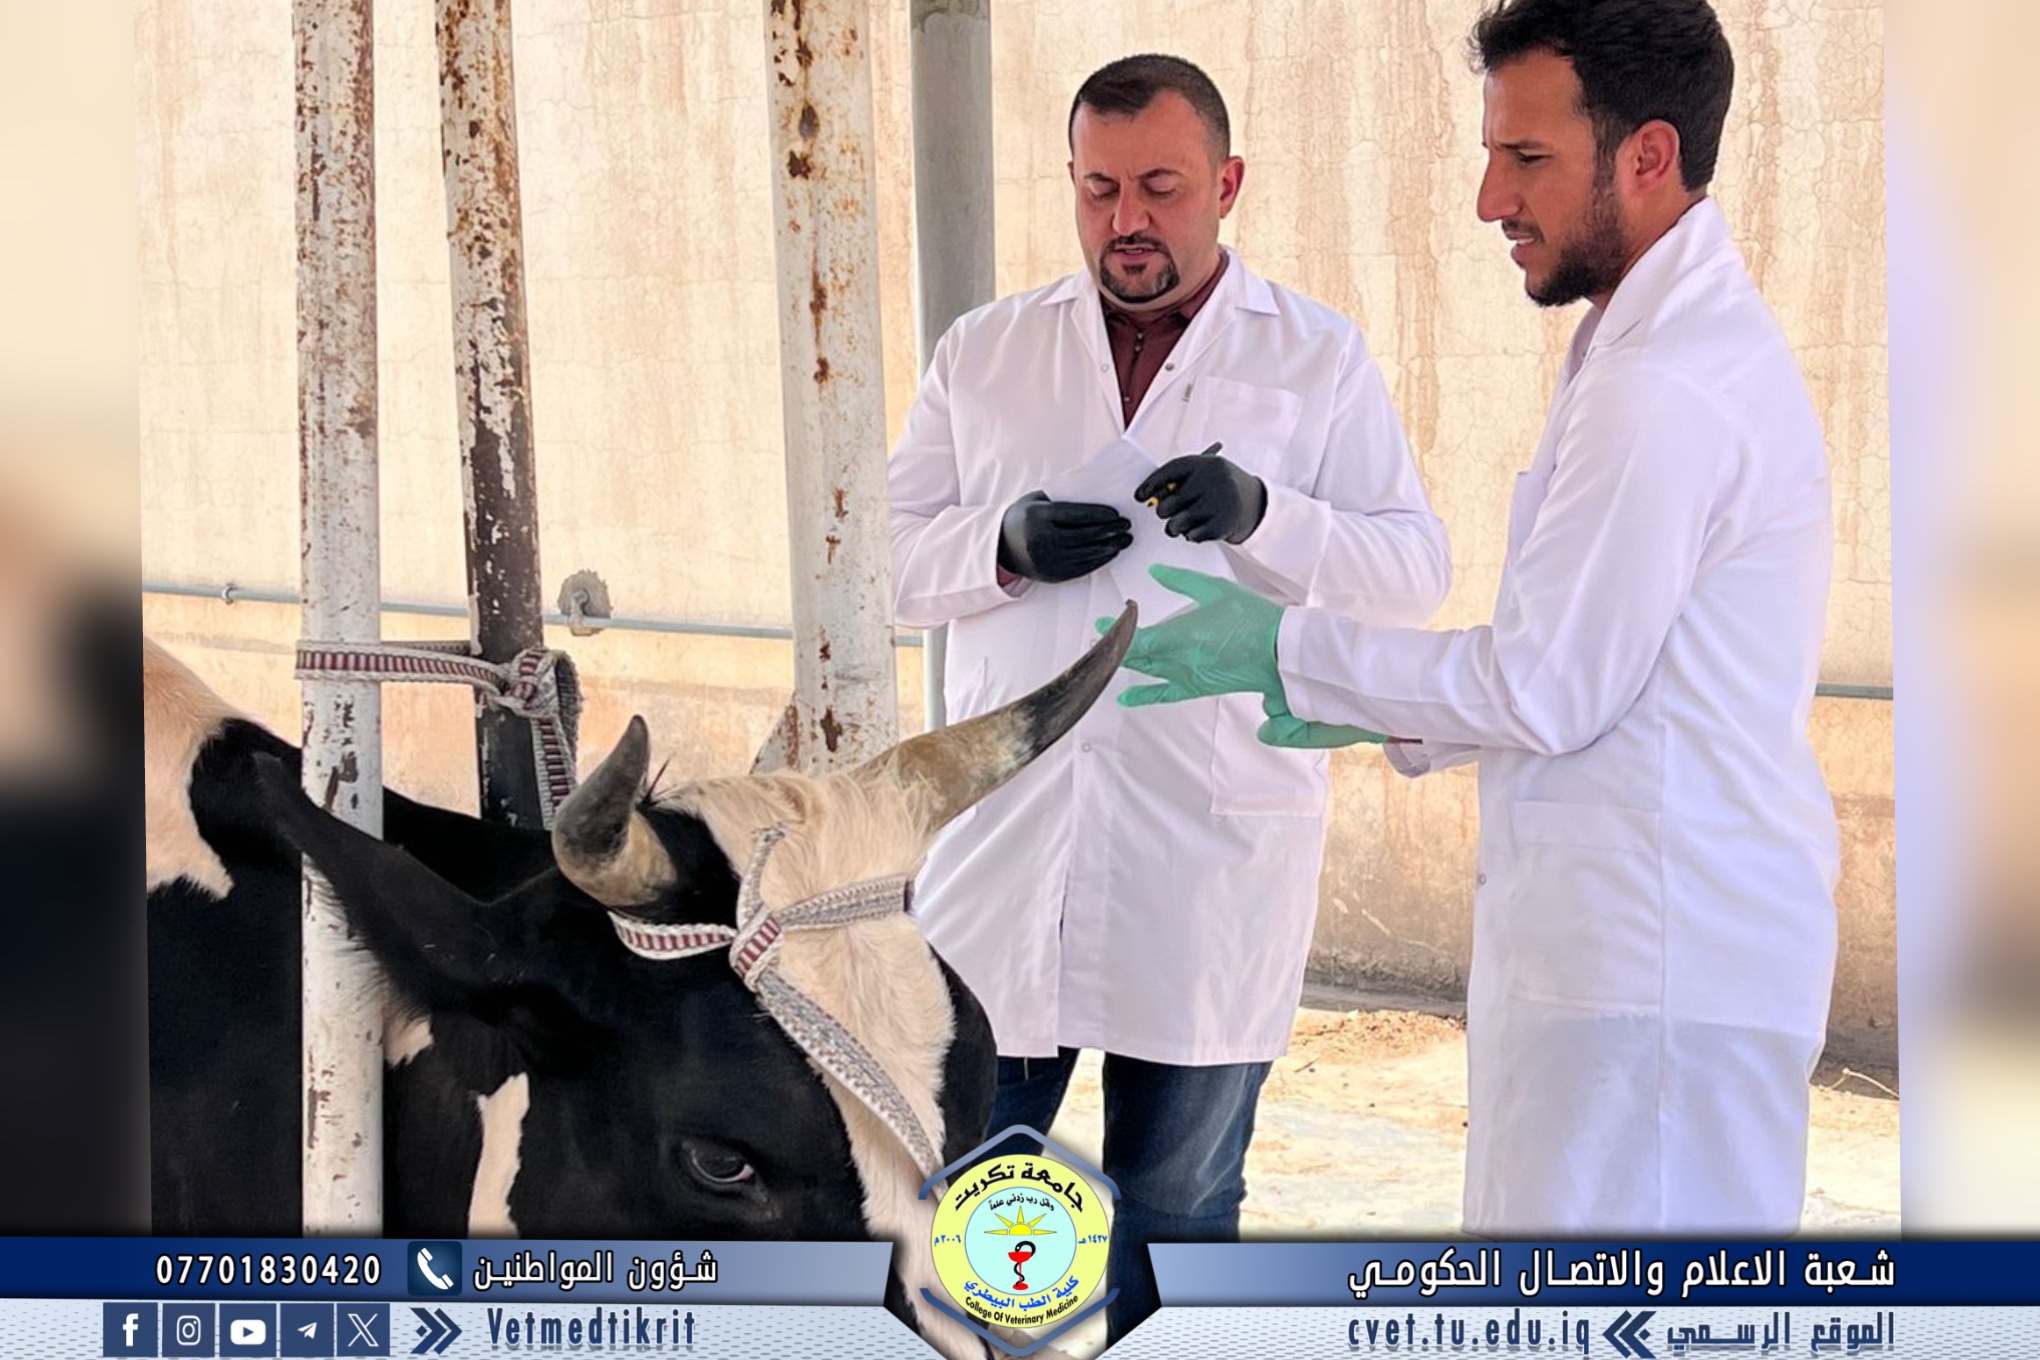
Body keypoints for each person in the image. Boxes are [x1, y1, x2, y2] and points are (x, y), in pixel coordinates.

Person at [1109, 0, 1841, 1238]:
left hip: (1654, 967)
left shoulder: (1664, 383)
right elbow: (1606, 663)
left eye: (1528, 157)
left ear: (1648, 154)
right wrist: (1361, 706)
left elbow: (1548, 685)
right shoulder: (1643, 340)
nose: (1490, 198)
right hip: (1634, 957)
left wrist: (1284, 650)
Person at [888, 54, 1450, 1339]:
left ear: (1227, 184)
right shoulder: (986, 352)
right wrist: (999, 543)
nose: (1127, 219)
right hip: (1005, 850)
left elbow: (1413, 570)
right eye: (1099, 190)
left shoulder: (1313, 356)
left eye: (1161, 187)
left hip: (1207, 857)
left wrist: (1270, 513)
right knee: (974, 1195)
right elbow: (883, 556)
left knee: (1180, 1204)